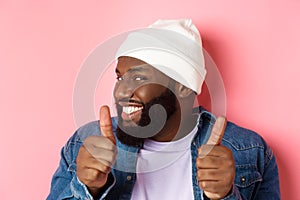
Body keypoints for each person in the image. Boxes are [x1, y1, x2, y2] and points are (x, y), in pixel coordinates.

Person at [47, 19, 280, 200]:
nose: (120, 92)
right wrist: (86, 188)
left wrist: (224, 196)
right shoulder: (85, 144)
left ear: (183, 87)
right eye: (119, 78)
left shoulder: (250, 150)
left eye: (138, 77)